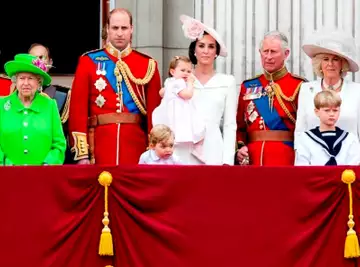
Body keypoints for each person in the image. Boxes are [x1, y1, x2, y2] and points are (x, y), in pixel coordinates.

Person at [68, 8, 161, 165]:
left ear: (131, 29)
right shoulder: (89, 61)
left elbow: (155, 114)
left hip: (136, 148)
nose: (119, 33)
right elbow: (78, 110)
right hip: (98, 146)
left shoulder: (147, 64)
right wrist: (81, 153)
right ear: (107, 29)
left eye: (124, 28)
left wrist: (153, 150)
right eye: (115, 28)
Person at [235, 31, 307, 166]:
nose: (268, 57)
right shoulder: (248, 85)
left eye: (273, 52)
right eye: (265, 51)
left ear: (286, 54)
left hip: (286, 157)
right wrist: (241, 147)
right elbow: (239, 125)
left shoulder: (299, 85)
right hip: (252, 158)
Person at [176, 14, 238, 165]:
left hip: (214, 149)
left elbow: (230, 125)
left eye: (211, 47)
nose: (206, 51)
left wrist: (227, 161)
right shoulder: (182, 80)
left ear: (216, 52)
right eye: (201, 45)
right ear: (194, 50)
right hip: (184, 147)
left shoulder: (227, 82)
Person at [295, 29, 360, 145]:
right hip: (314, 158)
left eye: (335, 59)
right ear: (319, 64)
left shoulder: (356, 91)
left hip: (349, 158)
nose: (330, 64)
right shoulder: (306, 90)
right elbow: (300, 130)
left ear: (342, 64)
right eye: (325, 59)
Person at [0, 54, 66, 165]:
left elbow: (59, 145)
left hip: (43, 177)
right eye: (21, 78)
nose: (26, 83)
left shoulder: (50, 106)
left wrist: (47, 164)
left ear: (38, 81)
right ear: (15, 81)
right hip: (7, 176)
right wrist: (6, 164)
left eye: (30, 78)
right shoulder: (1, 104)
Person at [152, 55, 205, 162]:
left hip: (171, 111)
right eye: (183, 70)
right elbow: (187, 95)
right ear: (172, 71)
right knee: (190, 126)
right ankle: (195, 145)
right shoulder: (179, 83)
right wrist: (190, 84)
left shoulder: (169, 81)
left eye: (189, 71)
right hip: (180, 112)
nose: (186, 73)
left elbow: (161, 92)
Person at [28, 43, 73, 164]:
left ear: (50, 62)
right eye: (33, 58)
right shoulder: (16, 94)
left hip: (54, 161)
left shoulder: (63, 95)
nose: (38, 61)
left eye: (42, 57)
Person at [295, 90, 360, 165]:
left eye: (335, 110)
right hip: (315, 176)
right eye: (327, 110)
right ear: (316, 112)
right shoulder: (305, 139)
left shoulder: (350, 139)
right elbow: (302, 167)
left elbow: (354, 167)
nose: (332, 114)